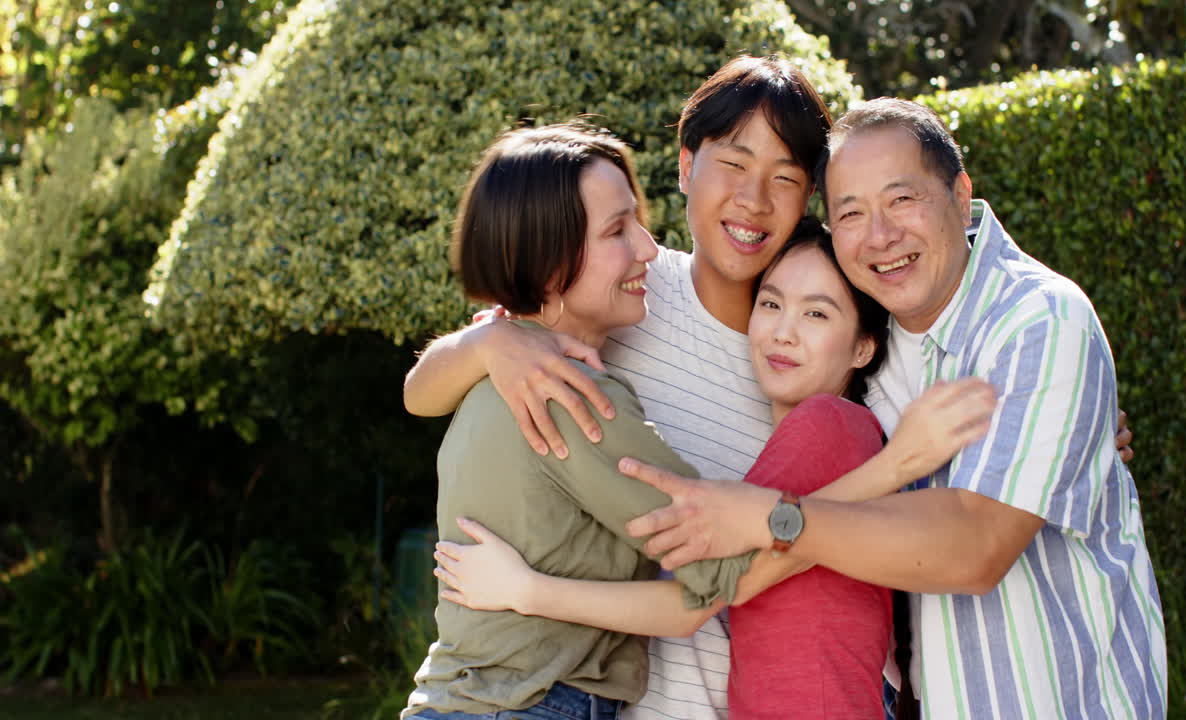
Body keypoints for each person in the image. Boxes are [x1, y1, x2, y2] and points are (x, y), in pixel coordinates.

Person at [404, 56, 1136, 720]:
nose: (754, 200)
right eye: (734, 164)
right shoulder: (621, 296)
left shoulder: (836, 365)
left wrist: (1065, 436)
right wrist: (492, 341)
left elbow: (940, 489)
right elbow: (425, 388)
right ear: (687, 166)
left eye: (786, 178)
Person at [618, 98, 1168, 718]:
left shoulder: (1037, 319)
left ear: (960, 195)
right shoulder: (884, 354)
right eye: (851, 212)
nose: (879, 235)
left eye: (902, 200)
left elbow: (976, 547)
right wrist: (508, 334)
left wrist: (773, 518)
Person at [431, 219, 997, 719]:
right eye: (771, 304)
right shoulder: (798, 446)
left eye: (817, 314)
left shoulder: (826, 424)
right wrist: (489, 338)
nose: (782, 331)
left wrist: (526, 591)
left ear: (862, 349)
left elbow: (715, 589)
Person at [400, 123, 762, 720]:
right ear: (548, 267)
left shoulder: (492, 370)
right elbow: (717, 572)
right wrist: (848, 502)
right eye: (618, 230)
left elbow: (418, 392)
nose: (648, 248)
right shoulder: (572, 397)